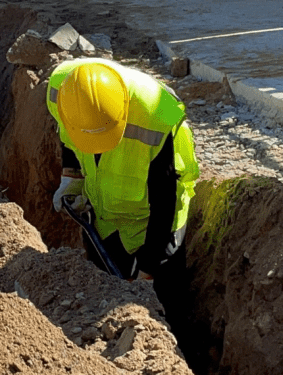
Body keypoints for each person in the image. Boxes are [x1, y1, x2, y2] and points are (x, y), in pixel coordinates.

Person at [45, 58, 200, 339]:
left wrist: (147, 273)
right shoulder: (62, 89)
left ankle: (172, 347)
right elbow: (67, 134)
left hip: (153, 218)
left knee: (165, 300)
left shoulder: (156, 117)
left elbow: (164, 202)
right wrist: (71, 176)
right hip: (104, 213)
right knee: (102, 291)